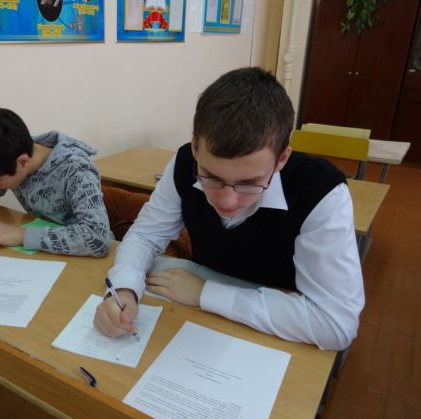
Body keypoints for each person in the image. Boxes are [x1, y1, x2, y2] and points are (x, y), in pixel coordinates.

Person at [94, 67, 365, 351]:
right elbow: (145, 236)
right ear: (196, 149)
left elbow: (336, 325)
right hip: (200, 322)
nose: (226, 201)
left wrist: (206, 293)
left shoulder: (320, 191)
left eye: (249, 183)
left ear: (282, 159)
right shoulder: (186, 162)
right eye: (211, 177)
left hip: (281, 332)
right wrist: (123, 288)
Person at [0, 108, 113, 257]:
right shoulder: (9, 153)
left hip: (83, 256)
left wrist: (22, 235)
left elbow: (97, 237)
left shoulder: (76, 169)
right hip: (43, 253)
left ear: (23, 162)